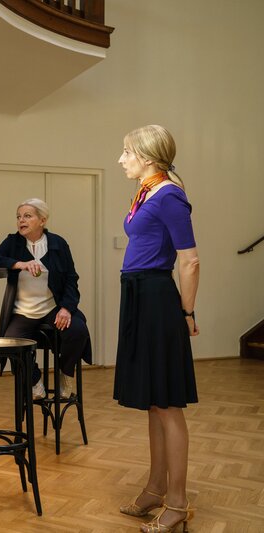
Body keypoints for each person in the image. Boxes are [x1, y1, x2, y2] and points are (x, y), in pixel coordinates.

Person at [114, 125, 199, 533]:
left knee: (167, 404)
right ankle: (155, 488)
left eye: (127, 152)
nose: (121, 159)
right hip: (138, 295)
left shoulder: (169, 196)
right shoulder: (148, 192)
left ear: (147, 157)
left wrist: (187, 312)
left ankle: (178, 503)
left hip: (157, 299)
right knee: (153, 401)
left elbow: (190, 260)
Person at [0, 198, 91, 400]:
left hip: (53, 308)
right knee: (11, 344)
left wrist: (66, 309)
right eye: (18, 217)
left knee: (78, 331)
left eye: (27, 216)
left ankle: (65, 373)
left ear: (42, 220)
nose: (21, 220)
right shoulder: (13, 241)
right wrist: (20, 264)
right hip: (23, 311)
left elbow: (71, 279)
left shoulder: (58, 243)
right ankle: (34, 382)